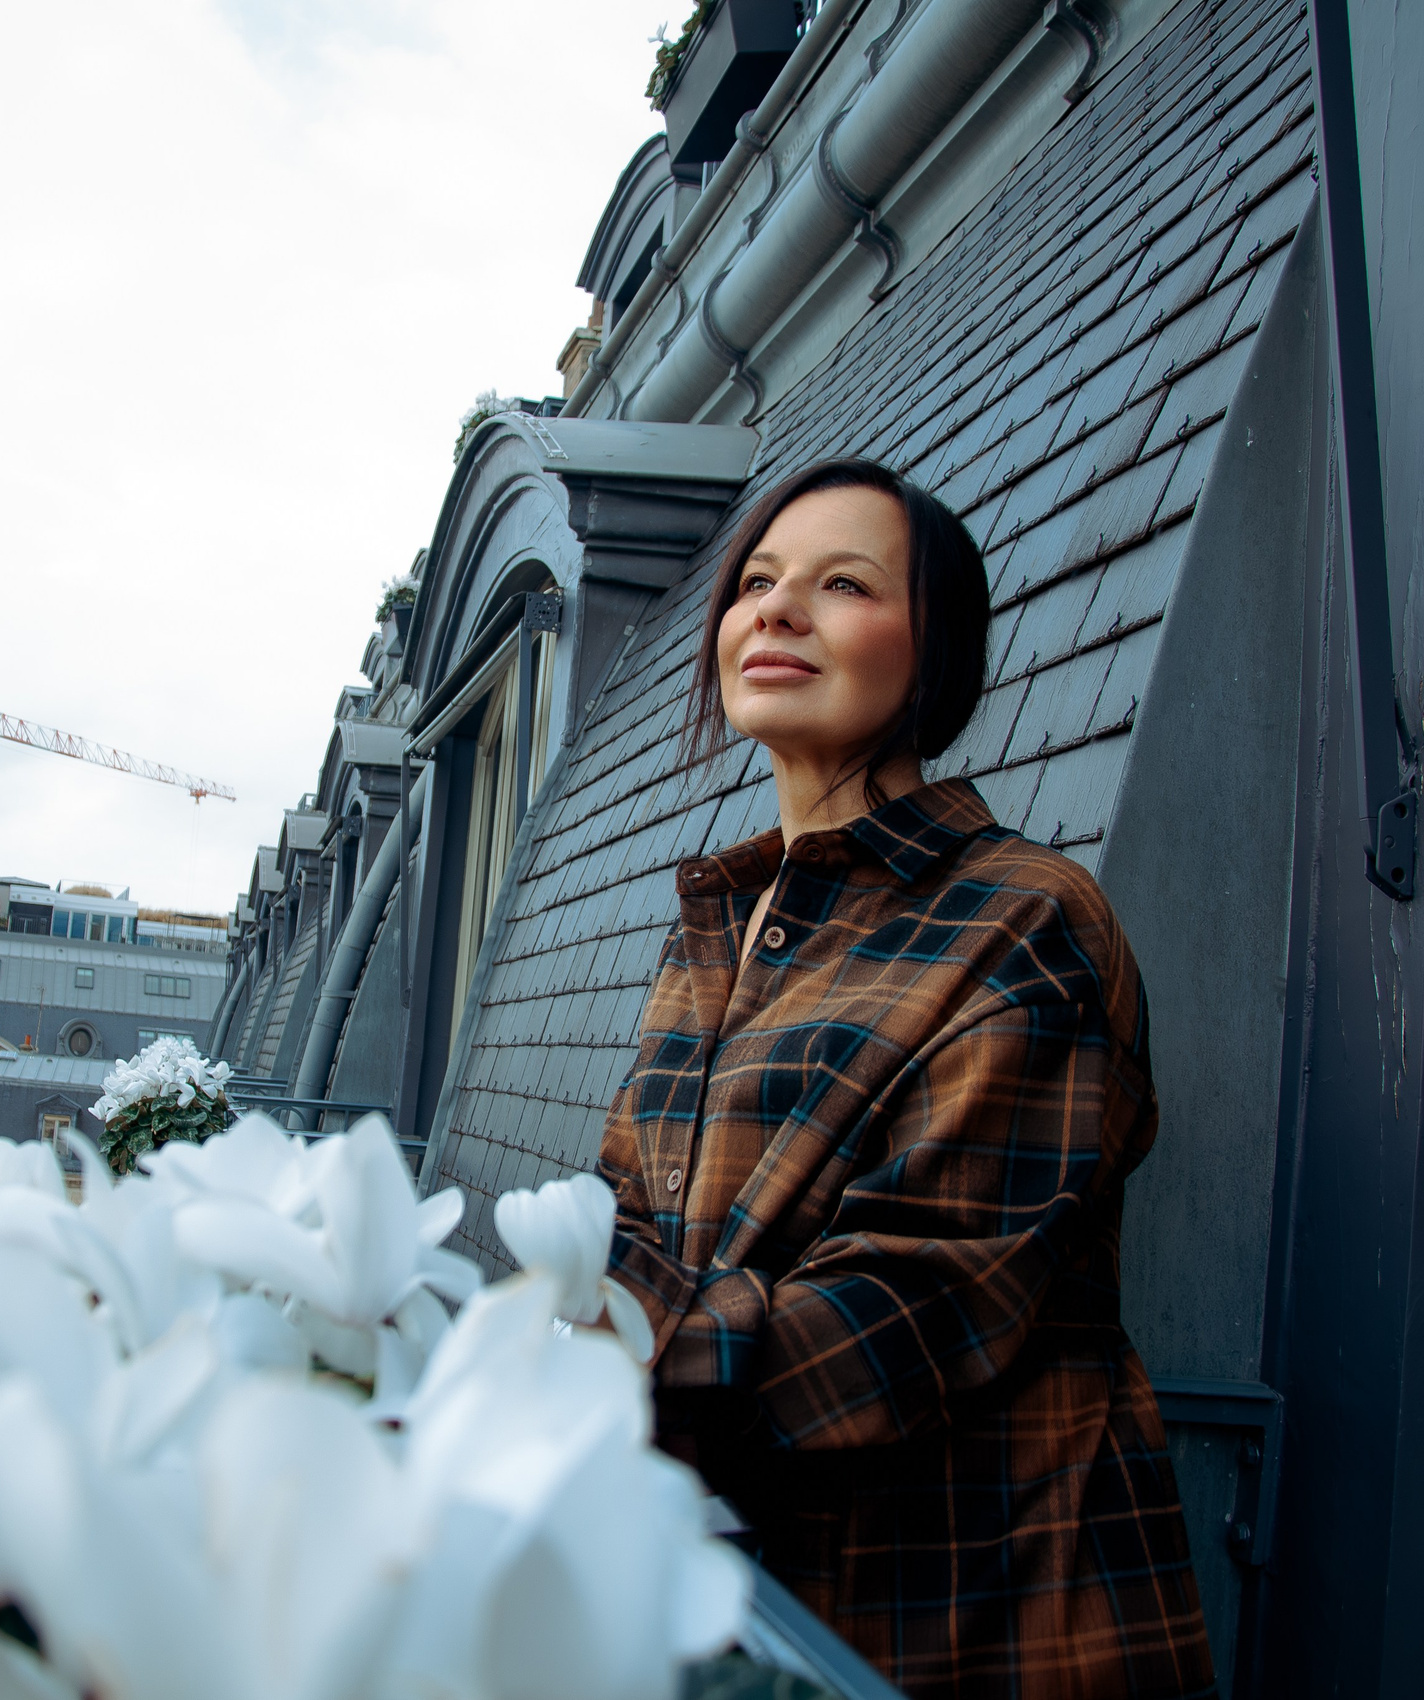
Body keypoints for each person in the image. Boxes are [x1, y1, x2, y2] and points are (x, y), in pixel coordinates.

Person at [595, 457, 1215, 1699]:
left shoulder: (1026, 917)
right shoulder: (717, 916)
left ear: (936, 647)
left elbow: (911, 1310)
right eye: (757, 580)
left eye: (841, 582)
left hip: (977, 1613)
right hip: (731, 1601)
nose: (772, 609)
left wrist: (591, 1344)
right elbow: (625, 1216)